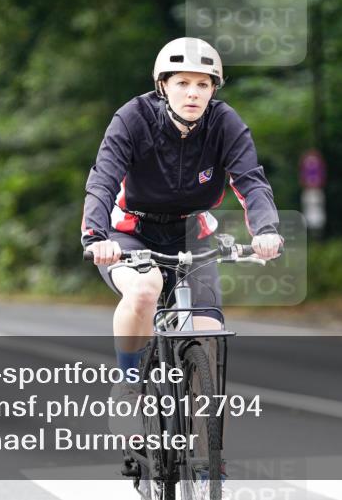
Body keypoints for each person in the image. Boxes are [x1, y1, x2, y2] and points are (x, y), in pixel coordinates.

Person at [81, 37, 284, 409]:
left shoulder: (224, 123)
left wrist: (266, 230)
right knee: (144, 290)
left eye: (203, 84)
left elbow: (251, 181)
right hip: (129, 232)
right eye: (182, 83)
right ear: (163, 85)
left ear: (213, 89)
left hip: (191, 233)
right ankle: (128, 387)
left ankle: (203, 439)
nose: (193, 93)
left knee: (208, 335)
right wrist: (95, 236)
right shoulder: (133, 118)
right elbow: (103, 179)